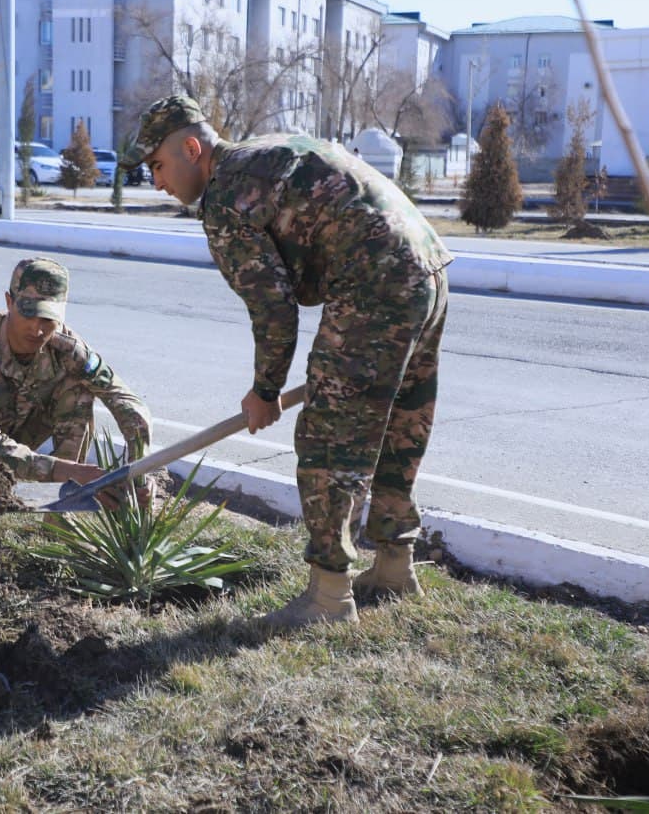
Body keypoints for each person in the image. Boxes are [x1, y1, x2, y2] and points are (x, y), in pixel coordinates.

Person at [121, 96, 452, 630]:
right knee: (400, 420)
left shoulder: (226, 196)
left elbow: (272, 306)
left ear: (191, 147)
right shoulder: (265, 151)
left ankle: (329, 597)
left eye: (157, 165)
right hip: (428, 267)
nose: (156, 180)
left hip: (374, 281)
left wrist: (265, 390)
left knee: (329, 437)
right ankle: (394, 567)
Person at [0, 257, 152, 534]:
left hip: (11, 427)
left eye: (48, 318)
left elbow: (128, 403)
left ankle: (60, 519)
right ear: (9, 303)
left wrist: (135, 471)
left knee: (79, 386)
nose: (37, 329)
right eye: (28, 313)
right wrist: (74, 473)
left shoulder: (67, 347)